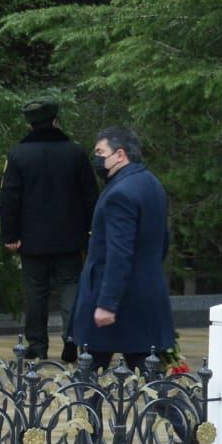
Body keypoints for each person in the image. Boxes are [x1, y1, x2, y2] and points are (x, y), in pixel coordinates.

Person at [68, 126, 175, 371]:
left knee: (88, 375)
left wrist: (107, 303)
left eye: (100, 152)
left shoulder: (120, 193)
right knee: (148, 374)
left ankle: (85, 398)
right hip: (145, 296)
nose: (96, 158)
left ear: (120, 154)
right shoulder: (151, 184)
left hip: (115, 300)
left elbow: (119, 252)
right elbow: (162, 241)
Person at [0, 98, 98, 361]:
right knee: (70, 287)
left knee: (35, 291)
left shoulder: (18, 155)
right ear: (55, 121)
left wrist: (10, 235)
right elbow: (90, 195)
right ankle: (72, 338)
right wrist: (91, 231)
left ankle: (37, 345)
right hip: (70, 237)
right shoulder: (75, 153)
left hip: (32, 239)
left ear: (30, 125)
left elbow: (10, 197)